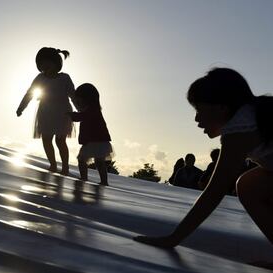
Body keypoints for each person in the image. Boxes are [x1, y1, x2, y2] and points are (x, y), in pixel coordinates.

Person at [133, 68, 273, 268]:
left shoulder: (241, 129)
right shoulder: (252, 115)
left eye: (199, 109)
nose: (197, 120)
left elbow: (214, 191)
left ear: (221, 108)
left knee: (250, 186)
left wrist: (173, 239)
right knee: (250, 185)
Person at [16, 47, 75, 175]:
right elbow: (30, 93)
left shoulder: (64, 78)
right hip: (46, 113)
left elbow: (73, 95)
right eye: (42, 64)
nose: (45, 67)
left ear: (56, 63)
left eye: (48, 63)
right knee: (46, 139)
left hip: (62, 112)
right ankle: (53, 165)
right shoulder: (40, 78)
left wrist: (81, 110)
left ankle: (65, 168)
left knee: (60, 140)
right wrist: (21, 107)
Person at [68, 83, 113, 186]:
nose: (78, 101)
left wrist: (71, 115)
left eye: (79, 98)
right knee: (99, 162)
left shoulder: (91, 109)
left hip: (93, 140)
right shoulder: (94, 109)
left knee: (82, 159)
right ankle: (104, 181)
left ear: (86, 98)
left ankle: (84, 178)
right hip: (101, 140)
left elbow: (82, 117)